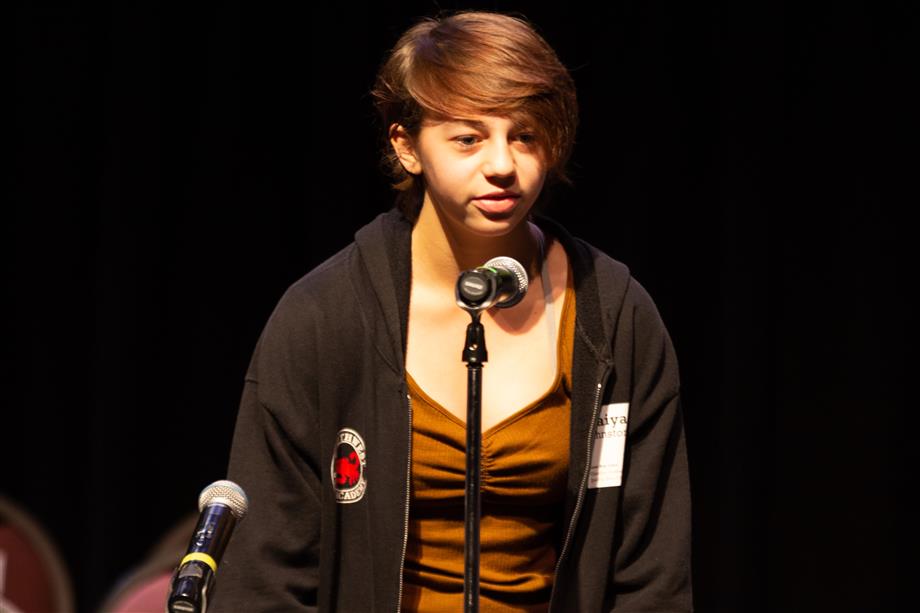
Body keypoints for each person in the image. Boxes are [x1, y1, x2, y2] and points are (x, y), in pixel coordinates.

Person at [208, 9, 692, 612]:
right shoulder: (324, 317)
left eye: (525, 135)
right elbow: (264, 577)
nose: (502, 165)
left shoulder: (613, 316)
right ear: (407, 147)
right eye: (468, 138)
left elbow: (653, 577)